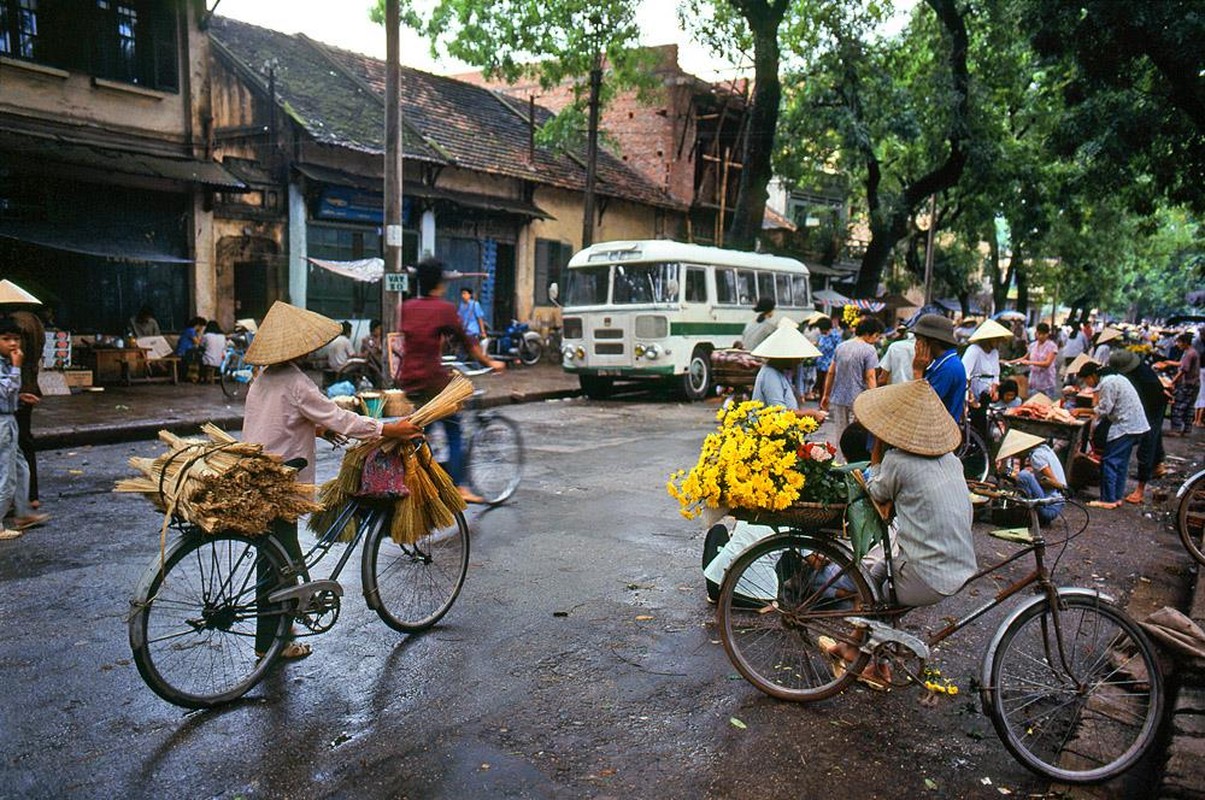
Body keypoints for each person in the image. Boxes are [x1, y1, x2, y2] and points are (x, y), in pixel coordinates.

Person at [242, 301, 422, 659]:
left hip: (258, 470)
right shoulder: (297, 382)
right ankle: (270, 645)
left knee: (273, 556)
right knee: (283, 559)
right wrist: (388, 428)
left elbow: (280, 419)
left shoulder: (262, 379)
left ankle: (279, 623)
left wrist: (317, 429)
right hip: (284, 478)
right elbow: (342, 419)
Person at [821, 381, 975, 687]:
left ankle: (874, 664)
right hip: (960, 566)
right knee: (875, 576)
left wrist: (878, 450)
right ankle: (852, 647)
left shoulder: (897, 462)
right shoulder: (952, 461)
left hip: (926, 576)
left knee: (878, 597)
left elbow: (875, 490)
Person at [398, 258, 505, 504]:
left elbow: (419, 339)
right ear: (440, 283)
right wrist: (491, 363)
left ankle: (419, 475)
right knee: (454, 430)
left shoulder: (407, 307)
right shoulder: (443, 308)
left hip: (409, 379)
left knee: (420, 431)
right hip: (433, 381)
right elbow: (468, 343)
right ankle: (459, 486)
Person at [1074, 361, 1149, 509]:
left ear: (1092, 376)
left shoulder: (1108, 383)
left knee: (1109, 460)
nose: (1087, 384)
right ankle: (1116, 497)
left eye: (1086, 380)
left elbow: (1104, 409)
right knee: (1121, 462)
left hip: (1126, 424)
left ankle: (1108, 499)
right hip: (1134, 424)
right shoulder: (1116, 378)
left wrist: (1081, 411)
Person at [0, 316, 48, 539]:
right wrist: (17, 368)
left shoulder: (7, 362)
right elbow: (3, 391)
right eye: (6, 339)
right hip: (2, 423)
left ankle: (22, 512)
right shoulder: (9, 365)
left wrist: (20, 397)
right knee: (7, 476)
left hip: (10, 418)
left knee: (21, 467)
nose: (12, 344)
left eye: (15, 339)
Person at [1109, 349, 1169, 504]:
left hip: (1153, 406)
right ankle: (1158, 464)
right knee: (1155, 438)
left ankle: (1140, 489)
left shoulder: (1144, 377)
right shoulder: (1137, 369)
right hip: (1149, 404)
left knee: (1147, 443)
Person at [821, 316, 883, 443]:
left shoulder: (841, 347)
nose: (876, 339)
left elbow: (831, 372)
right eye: (876, 335)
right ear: (867, 334)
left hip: (839, 398)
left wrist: (826, 395)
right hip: (858, 400)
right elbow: (870, 377)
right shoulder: (869, 350)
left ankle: (840, 460)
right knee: (857, 436)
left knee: (841, 434)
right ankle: (854, 461)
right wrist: (874, 401)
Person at [749, 322, 827, 424]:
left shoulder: (780, 374)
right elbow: (780, 412)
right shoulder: (770, 375)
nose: (800, 361)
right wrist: (811, 413)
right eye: (797, 358)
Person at [8, 306, 44, 509]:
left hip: (16, 389)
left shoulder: (15, 325)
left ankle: (19, 497)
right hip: (29, 384)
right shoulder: (35, 322)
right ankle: (31, 496)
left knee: (15, 444)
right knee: (24, 442)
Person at [995, 429, 1066, 525]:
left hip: (1050, 507)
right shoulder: (1043, 449)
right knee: (1023, 476)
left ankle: (1029, 512)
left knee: (1024, 475)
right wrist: (1005, 468)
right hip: (1054, 503)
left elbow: (1054, 482)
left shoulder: (1037, 456)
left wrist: (1032, 483)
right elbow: (1008, 473)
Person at [911, 314, 966, 422]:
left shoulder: (947, 369)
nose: (916, 345)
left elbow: (922, 406)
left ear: (933, 343)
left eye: (919, 340)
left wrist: (917, 371)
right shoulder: (944, 363)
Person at [1013, 322, 1059, 398]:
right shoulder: (1033, 345)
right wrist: (1009, 362)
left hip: (1047, 381)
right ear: (1036, 333)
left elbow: (1047, 363)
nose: (1041, 336)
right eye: (1039, 333)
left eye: (1044, 334)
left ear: (1047, 334)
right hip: (1034, 381)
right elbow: (1024, 358)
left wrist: (1030, 362)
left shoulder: (1052, 346)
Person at [1169, 332, 1201, 437]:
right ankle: (1187, 430)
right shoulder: (1193, 352)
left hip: (1187, 384)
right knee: (1189, 408)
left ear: (1185, 342)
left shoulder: (1189, 354)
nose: (1178, 345)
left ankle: (1176, 430)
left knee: (1179, 406)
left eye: (1179, 342)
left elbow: (1183, 370)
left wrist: (1172, 382)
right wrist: (1169, 363)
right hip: (1195, 384)